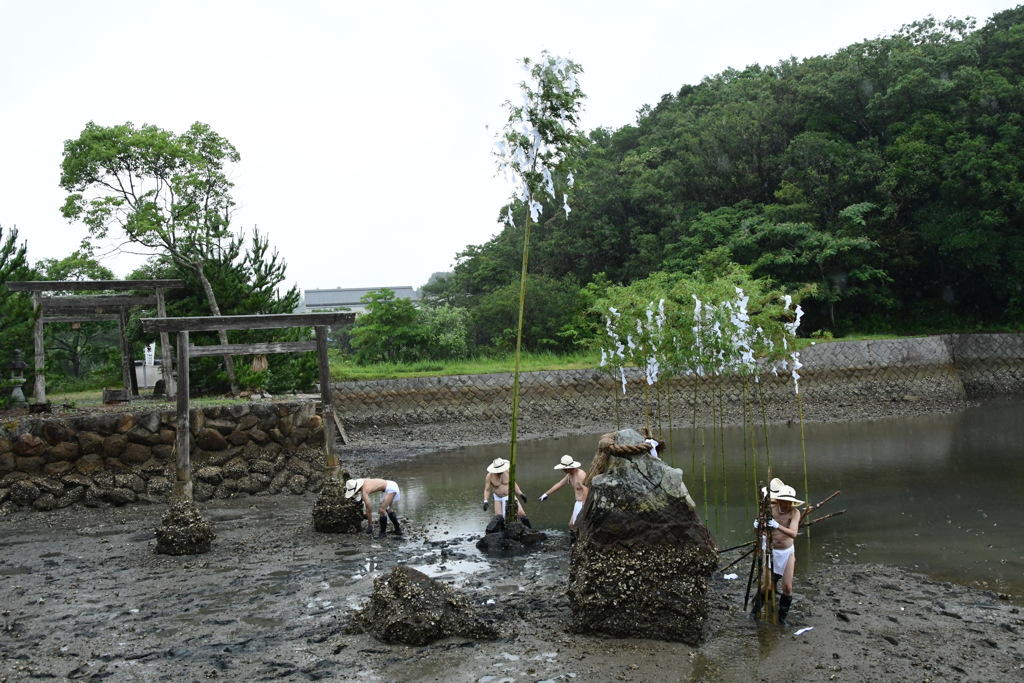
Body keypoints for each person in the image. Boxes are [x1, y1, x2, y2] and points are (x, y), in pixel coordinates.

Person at [752, 480, 803, 624]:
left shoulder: (795, 513)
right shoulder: (769, 510)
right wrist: (756, 525)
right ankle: (755, 612)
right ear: (778, 500)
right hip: (770, 550)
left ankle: (781, 618)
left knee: (787, 587)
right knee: (767, 586)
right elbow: (757, 530)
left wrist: (777, 525)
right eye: (783, 501)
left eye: (789, 502)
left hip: (787, 551)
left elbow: (793, 533)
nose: (786, 504)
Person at [539, 454, 589, 529]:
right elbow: (560, 483)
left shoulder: (580, 475)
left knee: (577, 526)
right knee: (571, 525)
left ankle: (578, 540)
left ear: (568, 468)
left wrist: (583, 506)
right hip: (577, 503)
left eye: (564, 469)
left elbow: (586, 489)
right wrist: (546, 494)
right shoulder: (570, 475)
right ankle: (574, 540)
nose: (563, 470)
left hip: (582, 503)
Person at [482, 458, 532, 527]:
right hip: (498, 497)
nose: (500, 472)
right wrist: (485, 501)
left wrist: (520, 493)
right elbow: (487, 490)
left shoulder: (507, 472)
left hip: (509, 495)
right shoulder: (489, 476)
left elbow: (513, 483)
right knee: (499, 518)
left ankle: (530, 530)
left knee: (521, 513)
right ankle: (502, 533)